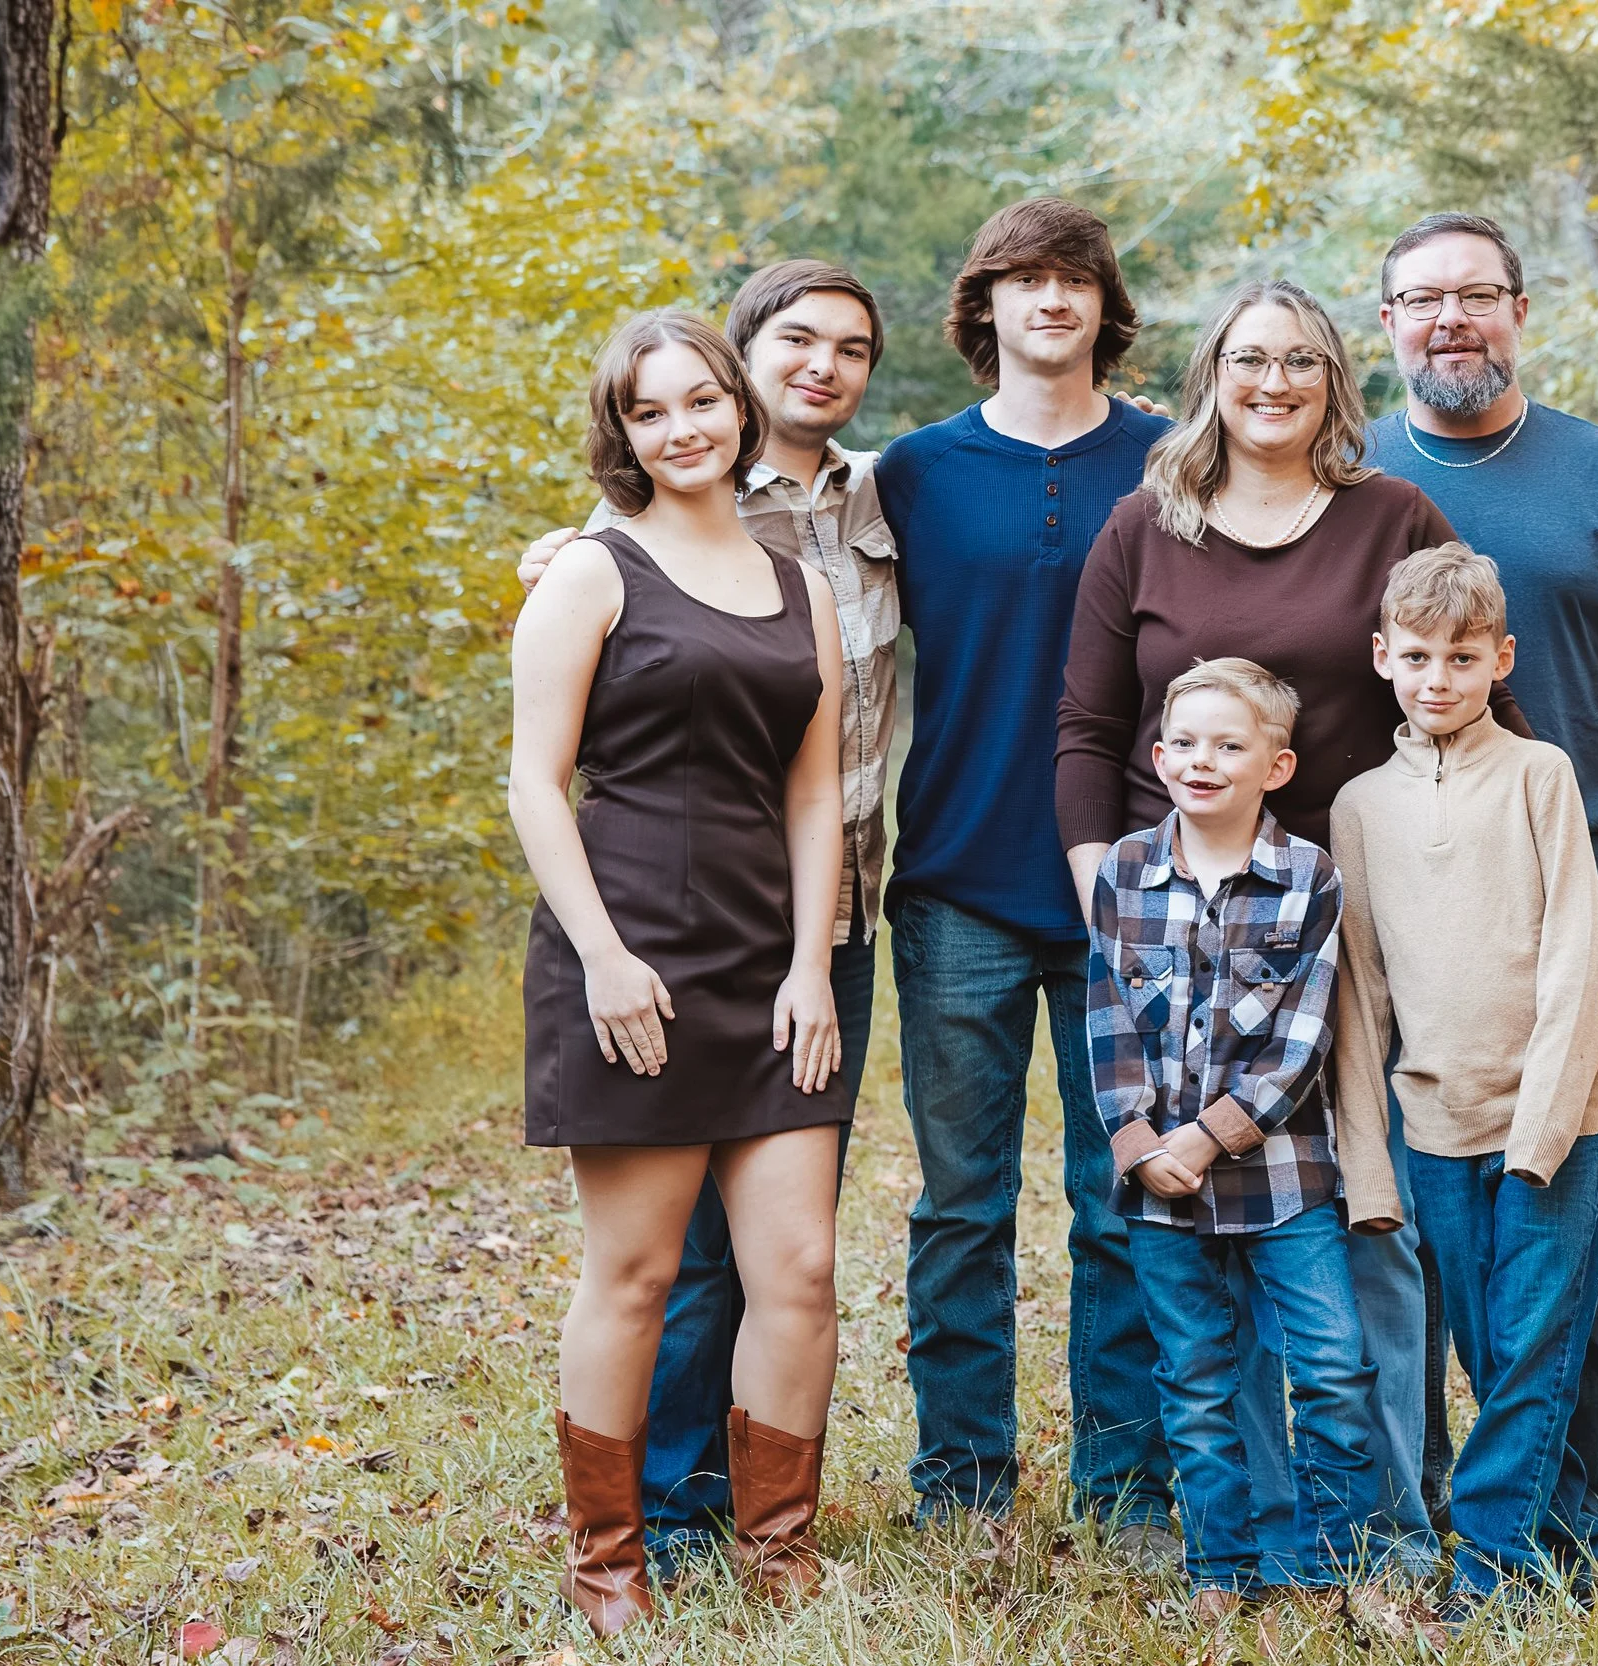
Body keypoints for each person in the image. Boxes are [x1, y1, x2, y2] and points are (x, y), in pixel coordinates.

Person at [1055, 276, 1527, 1568]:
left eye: (1301, 362)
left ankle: (1393, 1508)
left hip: (1363, 914)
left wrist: (1521, 866)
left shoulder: (1390, 516)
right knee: (1206, 1223)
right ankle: (1264, 1527)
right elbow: (1089, 733)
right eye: (1250, 359)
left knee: (1364, 1218)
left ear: (1334, 380)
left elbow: (1470, 677)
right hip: (1183, 931)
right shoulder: (1146, 528)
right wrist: (1114, 896)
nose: (1273, 383)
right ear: (1212, 372)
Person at [516, 260, 898, 1573]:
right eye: (649, 412)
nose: (682, 428)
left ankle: (775, 1550)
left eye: (701, 401)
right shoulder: (589, 572)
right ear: (620, 436)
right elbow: (532, 781)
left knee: (797, 1270)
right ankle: (608, 1557)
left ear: (740, 409)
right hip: (633, 960)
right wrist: (603, 956)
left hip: (767, 969)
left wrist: (809, 966)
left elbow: (813, 797)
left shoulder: (802, 588)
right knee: (633, 1276)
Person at [1366, 210, 1598, 1574]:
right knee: (1408, 1192)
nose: (1451, 318)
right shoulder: (1353, 472)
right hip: (1389, 870)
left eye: (1476, 295)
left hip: (1567, 869)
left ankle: (1569, 1512)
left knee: (1558, 1178)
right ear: (1386, 320)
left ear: (1519, 310)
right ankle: (1436, 1491)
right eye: (1422, 299)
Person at [876, 198, 1178, 1547]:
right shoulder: (912, 473)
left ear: (1105, 307)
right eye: (1023, 278)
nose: (1050, 299)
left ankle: (1128, 1491)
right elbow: (745, 534)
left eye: (1075, 279)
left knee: (1125, 1199)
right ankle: (964, 1492)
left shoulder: (1176, 461)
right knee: (960, 1206)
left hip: (1139, 881)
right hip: (958, 884)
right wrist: (579, 539)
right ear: (983, 306)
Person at [1086, 659, 1419, 1625]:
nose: (1204, 761)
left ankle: (1338, 1566)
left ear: (1276, 767)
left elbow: (1305, 1040)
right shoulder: (1122, 873)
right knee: (1193, 1383)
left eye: (1230, 746)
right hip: (1160, 1191)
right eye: (1185, 743)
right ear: (1156, 758)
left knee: (1330, 1367)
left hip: (1284, 1184)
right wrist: (1145, 1144)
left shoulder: (1311, 878)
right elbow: (1104, 1022)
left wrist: (1207, 1138)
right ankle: (1219, 1574)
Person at [1329, 544, 1598, 1614]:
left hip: (1554, 1123)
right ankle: (1554, 1554)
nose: (1437, 676)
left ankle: (1491, 1572)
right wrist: (1368, 1169)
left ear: (1500, 658)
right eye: (1416, 655)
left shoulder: (1540, 778)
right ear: (1381, 658)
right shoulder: (1359, 806)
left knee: (1539, 1343)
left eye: (1461, 656)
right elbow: (1360, 996)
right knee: (1489, 1353)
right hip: (1431, 1124)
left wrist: (1542, 1131)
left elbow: (1572, 959)